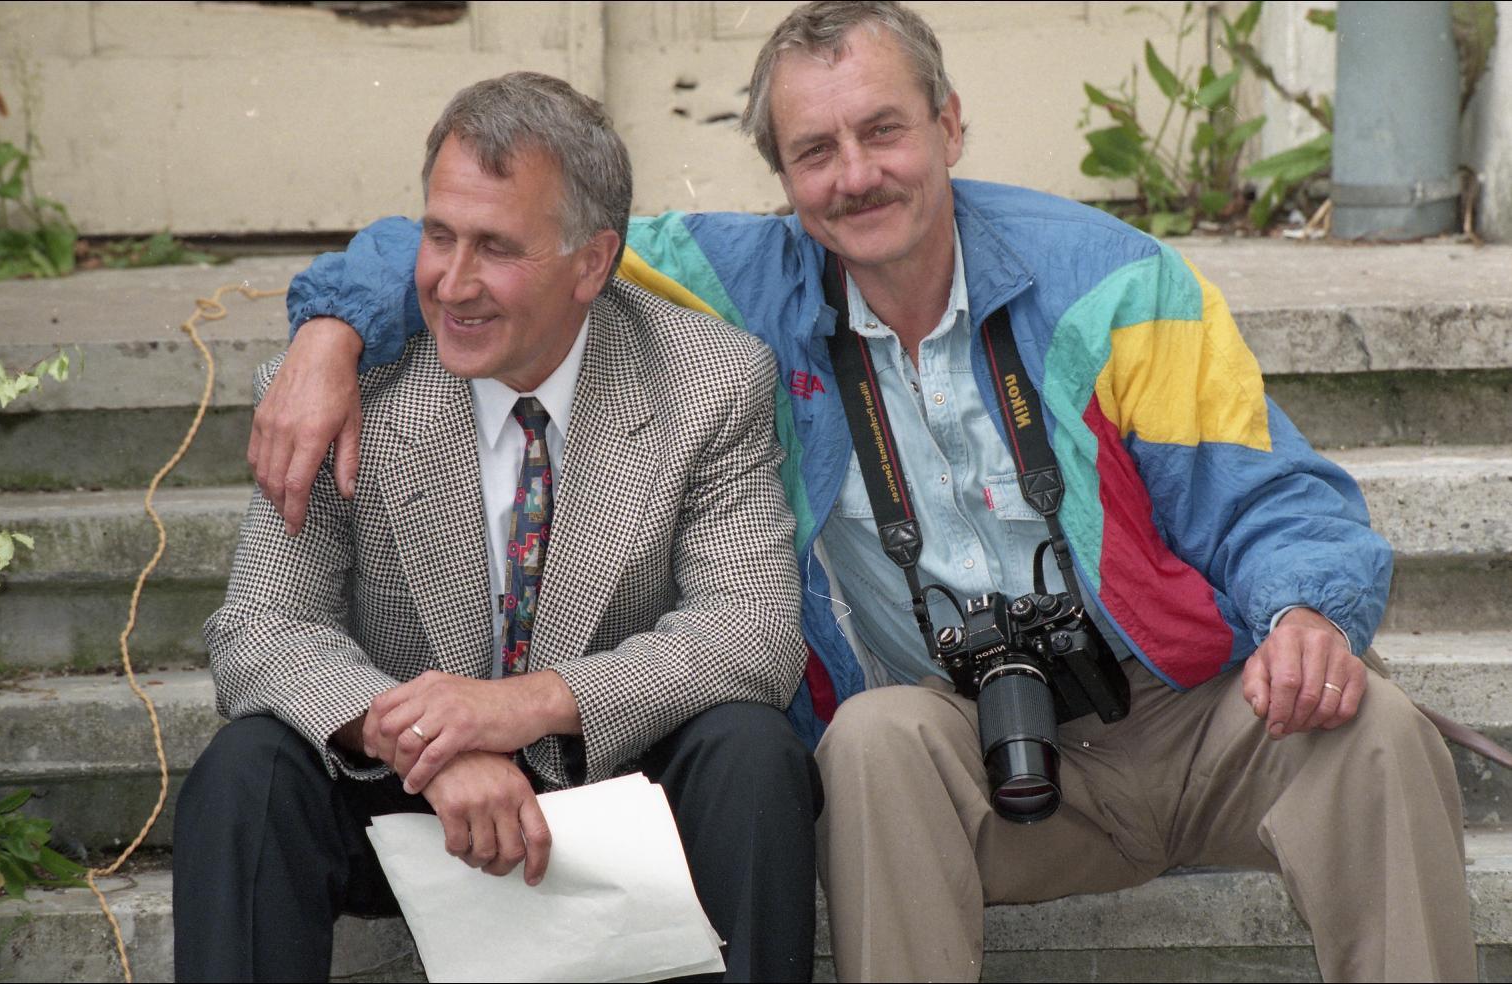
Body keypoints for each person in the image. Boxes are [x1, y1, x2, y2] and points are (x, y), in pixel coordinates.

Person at [246, 4, 1474, 980]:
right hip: (959, 749)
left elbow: (1268, 493)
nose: (855, 176)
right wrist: (330, 334)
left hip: (1177, 712)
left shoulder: (1117, 283)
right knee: (874, 742)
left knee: (1370, 728)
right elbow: (499, 237)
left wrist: (1305, 612)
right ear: (781, 177)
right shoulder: (736, 286)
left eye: (883, 131)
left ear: (950, 125)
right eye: (814, 151)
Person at [172, 72, 822, 983]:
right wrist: (428, 748)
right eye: (439, 235)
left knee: (753, 756)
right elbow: (259, 628)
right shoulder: (349, 387)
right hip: (406, 804)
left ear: (592, 263)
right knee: (245, 773)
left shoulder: (707, 381)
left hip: (614, 791)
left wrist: (525, 706)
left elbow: (751, 632)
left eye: (496, 247)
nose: (452, 282)